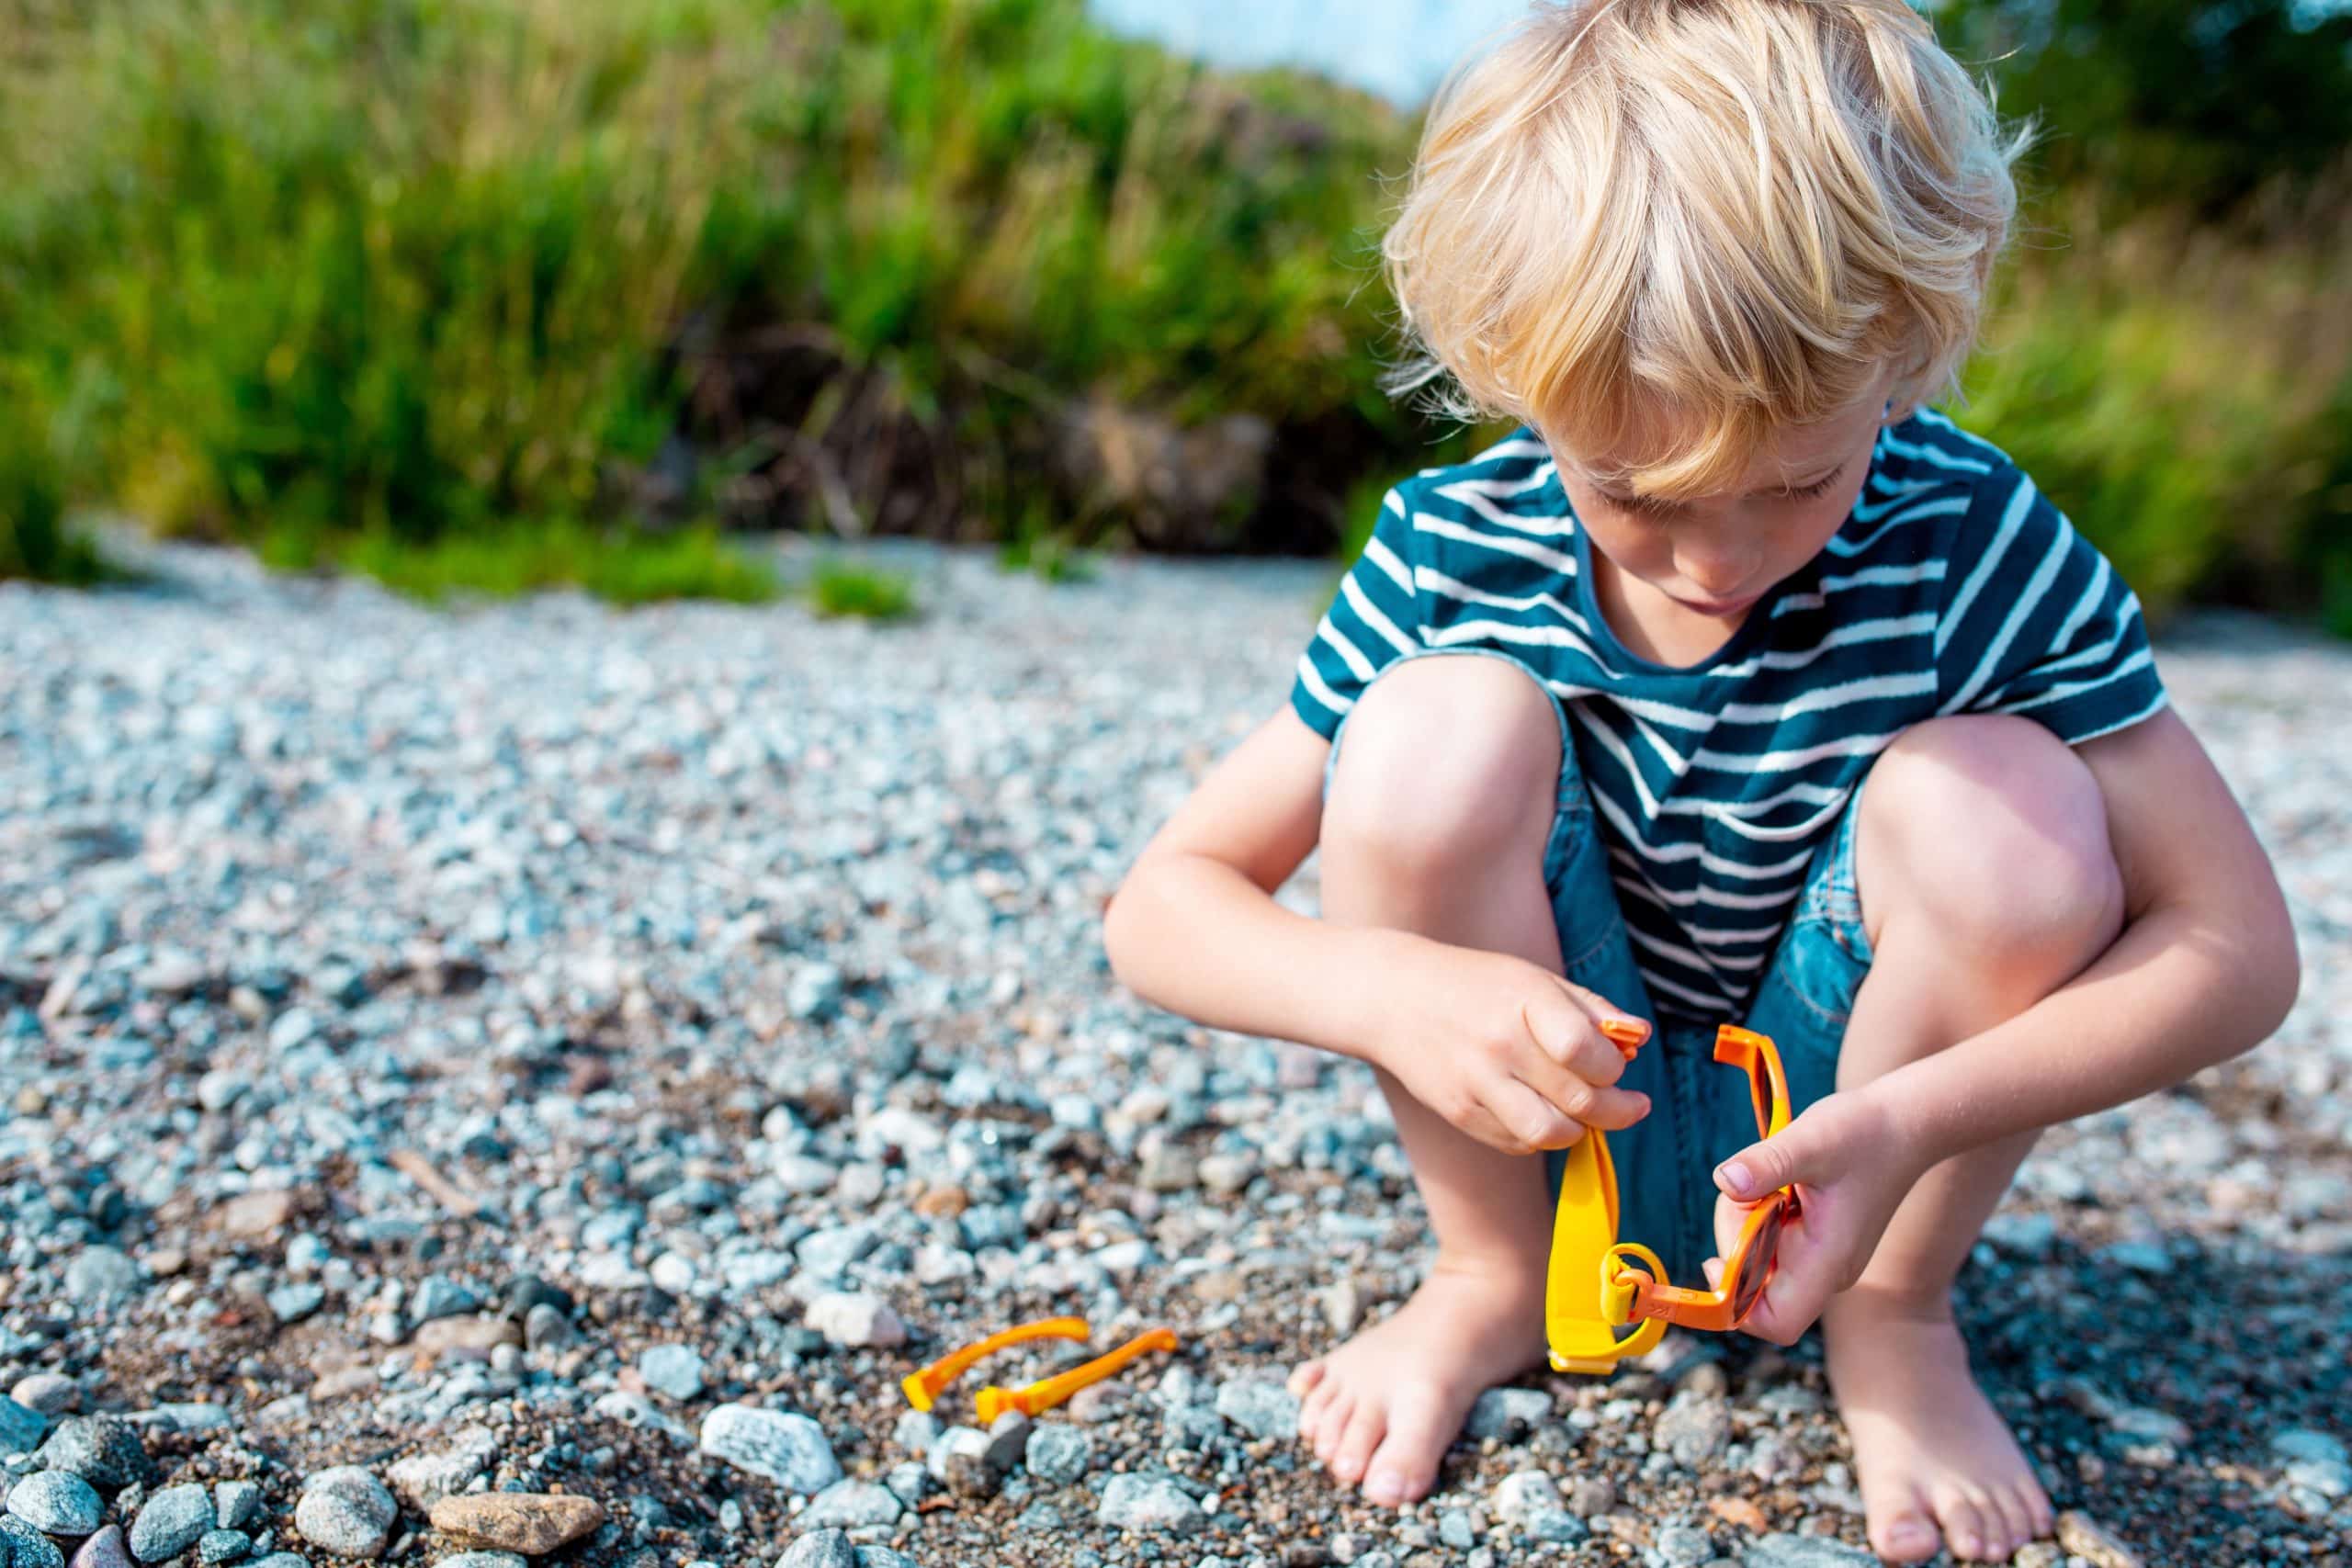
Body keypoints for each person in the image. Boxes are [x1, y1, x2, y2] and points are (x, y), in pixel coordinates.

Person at [1099, 1, 2301, 1561]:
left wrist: (1911, 1121)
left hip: (1855, 1144)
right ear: (1516, 385)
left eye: (1800, 479)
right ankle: (1487, 1276)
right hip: (1549, 1111)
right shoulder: (1459, 547)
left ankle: (1894, 1326)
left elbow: (2235, 948)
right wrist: (1386, 990)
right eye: (1633, 491)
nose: (1720, 557)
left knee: (2008, 807)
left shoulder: (1973, 543)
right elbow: (1162, 909)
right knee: (1428, 732)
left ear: (1906, 355)